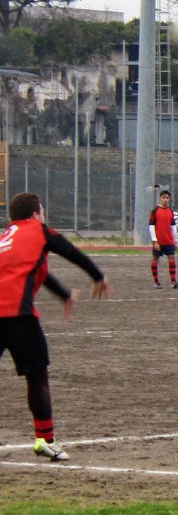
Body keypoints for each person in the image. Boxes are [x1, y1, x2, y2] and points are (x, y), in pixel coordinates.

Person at [0, 192, 112, 462]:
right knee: (37, 377)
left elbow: (37, 271)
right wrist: (98, 276)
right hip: (18, 315)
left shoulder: (6, 237)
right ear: (36, 214)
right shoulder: (39, 231)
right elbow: (70, 251)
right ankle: (45, 440)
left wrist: (64, 295)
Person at [149, 189, 178, 289]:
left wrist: (175, 241)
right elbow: (151, 227)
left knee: (171, 259)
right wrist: (155, 241)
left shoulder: (170, 211)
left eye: (167, 198)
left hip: (168, 241)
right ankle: (156, 282)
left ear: (169, 199)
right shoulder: (155, 211)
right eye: (163, 197)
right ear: (160, 198)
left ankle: (173, 282)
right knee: (155, 260)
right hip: (159, 241)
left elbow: (173, 227)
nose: (165, 200)